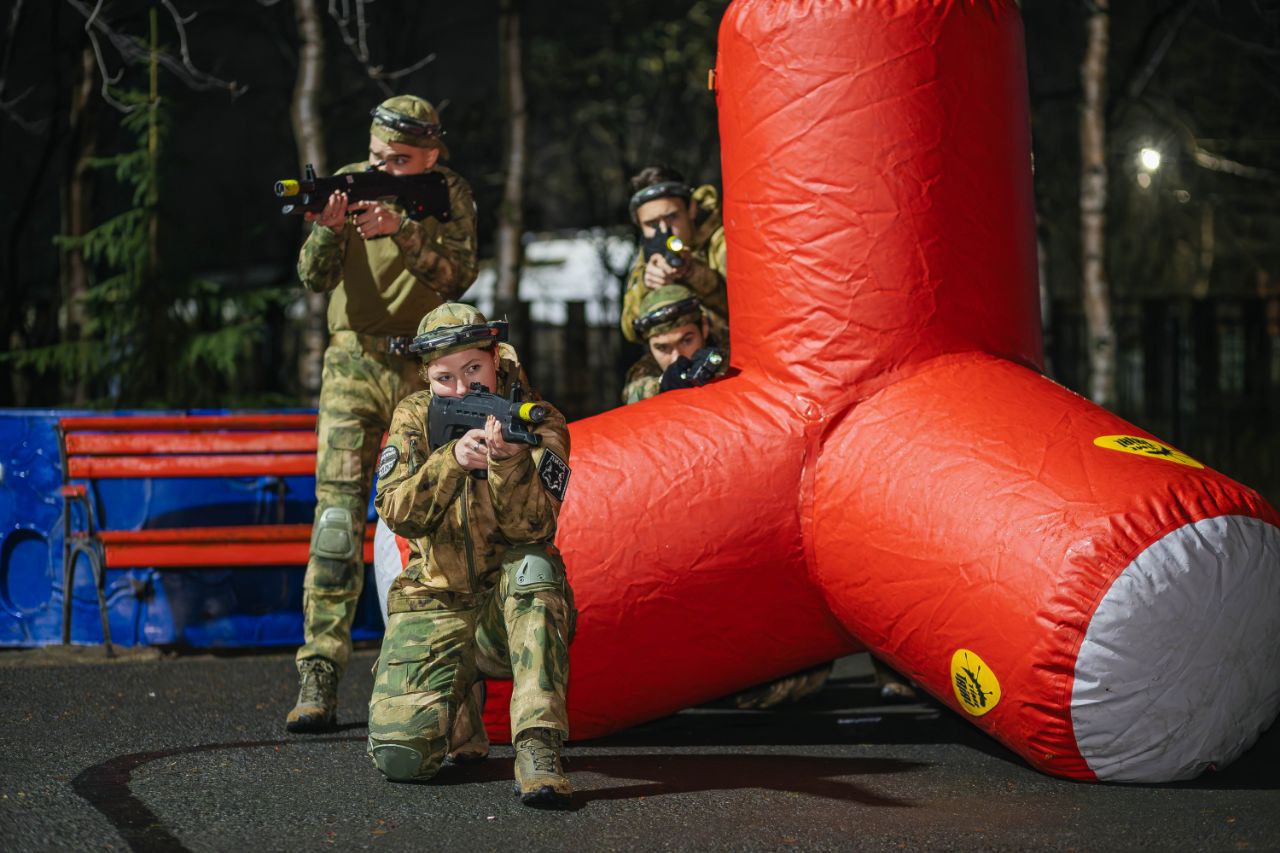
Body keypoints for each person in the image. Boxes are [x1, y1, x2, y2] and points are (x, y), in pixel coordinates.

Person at [287, 94, 478, 733]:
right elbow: (313, 279)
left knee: (433, 516)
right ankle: (319, 671)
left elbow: (458, 278)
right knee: (337, 518)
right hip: (351, 364)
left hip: (427, 370)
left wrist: (404, 230)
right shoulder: (349, 186)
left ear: (431, 153)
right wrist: (328, 227)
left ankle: (433, 673)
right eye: (377, 157)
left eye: (400, 160)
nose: (384, 169)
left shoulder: (446, 192)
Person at [368, 303, 576, 810]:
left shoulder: (541, 422)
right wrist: (451, 461)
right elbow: (395, 510)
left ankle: (537, 747)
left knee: (535, 566)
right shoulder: (414, 418)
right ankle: (458, 703)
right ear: (426, 377)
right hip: (435, 600)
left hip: (507, 613)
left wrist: (507, 466)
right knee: (400, 757)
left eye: (473, 370)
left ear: (496, 359)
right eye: (445, 378)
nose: (461, 390)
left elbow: (535, 526)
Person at [619, 165, 728, 349]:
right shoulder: (648, 255)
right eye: (651, 223)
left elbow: (744, 308)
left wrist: (694, 272)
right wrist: (647, 288)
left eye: (672, 217)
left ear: (691, 209)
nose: (663, 230)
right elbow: (630, 330)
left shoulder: (722, 239)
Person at [622, 285, 729, 404]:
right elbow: (632, 395)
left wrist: (717, 371)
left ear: (704, 327)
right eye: (662, 348)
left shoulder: (732, 345)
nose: (676, 357)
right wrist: (663, 385)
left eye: (686, 341)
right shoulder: (647, 367)